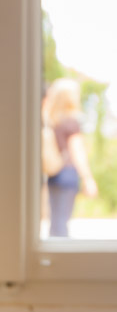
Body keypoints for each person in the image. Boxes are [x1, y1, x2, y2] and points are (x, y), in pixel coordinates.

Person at [43, 78, 98, 237]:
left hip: (54, 175)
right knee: (61, 224)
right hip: (67, 174)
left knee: (56, 222)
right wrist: (87, 178)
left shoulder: (53, 121)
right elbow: (77, 152)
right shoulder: (71, 122)